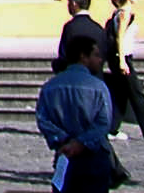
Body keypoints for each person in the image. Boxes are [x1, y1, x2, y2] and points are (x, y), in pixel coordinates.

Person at [35, 33, 117, 192]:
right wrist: (81, 143)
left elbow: (42, 119)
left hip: (64, 155)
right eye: (96, 55)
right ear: (83, 56)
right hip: (94, 159)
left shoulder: (50, 87)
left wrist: (65, 140)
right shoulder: (98, 87)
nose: (100, 60)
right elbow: (103, 123)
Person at [104, 0, 144, 140]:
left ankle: (112, 128)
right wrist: (122, 61)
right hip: (123, 57)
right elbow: (120, 36)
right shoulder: (125, 13)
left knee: (121, 94)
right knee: (136, 94)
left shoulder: (118, 12)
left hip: (119, 57)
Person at [56, 0, 106, 69]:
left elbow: (63, 55)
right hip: (96, 77)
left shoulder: (70, 27)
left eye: (69, 2)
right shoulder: (99, 28)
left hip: (75, 77)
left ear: (74, 3)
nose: (68, 5)